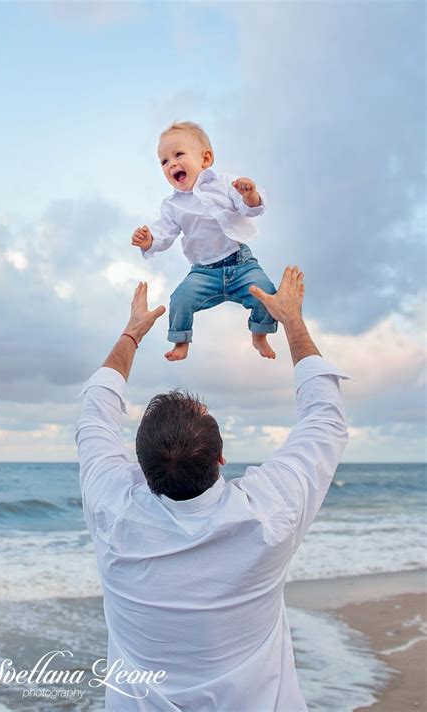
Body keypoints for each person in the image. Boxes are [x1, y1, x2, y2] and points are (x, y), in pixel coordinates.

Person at [75, 267, 350, 711]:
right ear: (221, 458)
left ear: (140, 467)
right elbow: (325, 419)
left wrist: (131, 334)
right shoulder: (267, 515)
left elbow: (94, 412)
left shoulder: (112, 511)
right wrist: (292, 321)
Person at [131, 121, 278, 362]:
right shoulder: (172, 205)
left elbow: (248, 209)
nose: (172, 164)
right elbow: (164, 233)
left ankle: (260, 333)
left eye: (178, 154)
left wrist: (250, 195)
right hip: (203, 273)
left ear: (206, 159)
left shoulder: (224, 184)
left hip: (241, 264)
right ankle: (181, 341)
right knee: (179, 299)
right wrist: (148, 240)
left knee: (268, 293)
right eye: (164, 161)